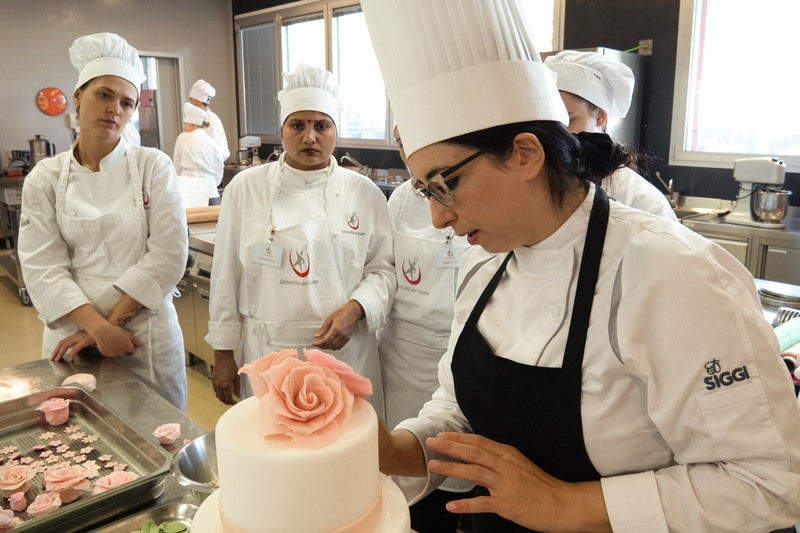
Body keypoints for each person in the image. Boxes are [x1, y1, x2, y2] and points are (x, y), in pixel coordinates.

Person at [362, 1, 800, 532]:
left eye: (444, 184)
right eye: (422, 190)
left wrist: (567, 504)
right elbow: (461, 411)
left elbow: (772, 483)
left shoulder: (673, 274)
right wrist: (392, 448)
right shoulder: (482, 266)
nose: (435, 217)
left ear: (525, 154)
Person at [206, 63, 395, 418]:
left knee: (344, 453)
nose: (310, 137)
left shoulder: (364, 193)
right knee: (278, 452)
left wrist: (354, 310)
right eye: (298, 125)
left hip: (346, 352)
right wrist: (223, 354)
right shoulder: (246, 189)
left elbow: (384, 271)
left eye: (321, 126)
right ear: (282, 131)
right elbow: (226, 274)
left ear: (335, 132)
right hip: (269, 352)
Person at [18, 32, 189, 411]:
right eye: (104, 95)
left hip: (145, 337)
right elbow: (43, 267)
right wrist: (97, 331)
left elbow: (168, 256)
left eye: (127, 103)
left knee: (160, 440)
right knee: (81, 444)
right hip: (72, 335)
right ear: (78, 97)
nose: (115, 109)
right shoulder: (45, 177)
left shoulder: (152, 166)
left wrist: (111, 329)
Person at [380, 126, 472, 533]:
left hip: (464, 355)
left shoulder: (478, 198)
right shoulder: (401, 199)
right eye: (400, 143)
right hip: (403, 360)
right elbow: (383, 271)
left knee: (463, 488)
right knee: (411, 493)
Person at [544, 50, 676, 220]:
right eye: (549, 122)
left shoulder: (644, 202)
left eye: (569, 120)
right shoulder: (535, 182)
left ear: (600, 116)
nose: (557, 133)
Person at [173, 102, 224, 205]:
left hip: (189, 191)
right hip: (211, 192)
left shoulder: (183, 138)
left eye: (185, 124)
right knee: (212, 220)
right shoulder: (214, 143)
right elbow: (219, 174)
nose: (184, 127)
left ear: (192, 123)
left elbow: (176, 168)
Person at [189, 79, 230, 164]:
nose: (190, 103)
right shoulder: (195, 119)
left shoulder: (212, 120)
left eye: (191, 100)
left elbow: (216, 151)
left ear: (198, 101)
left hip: (209, 169)